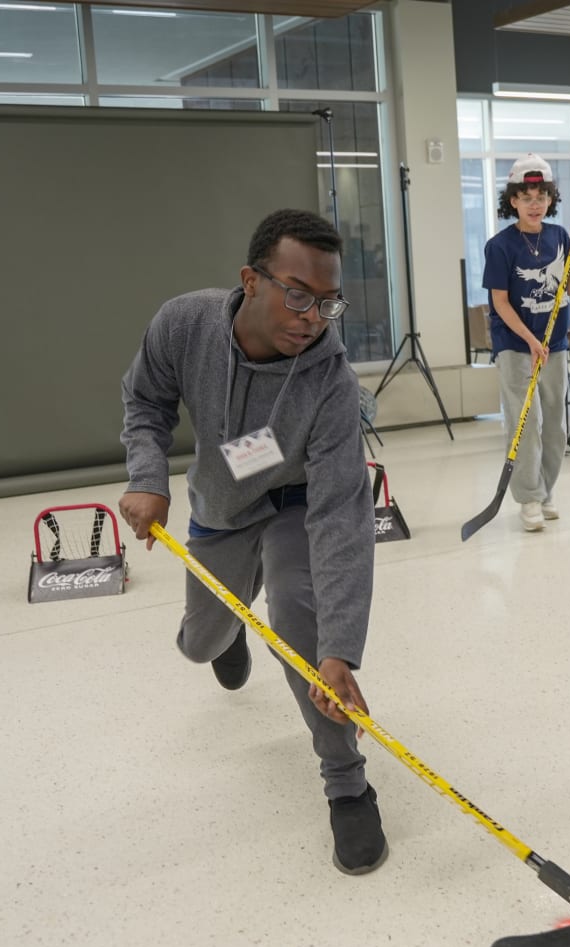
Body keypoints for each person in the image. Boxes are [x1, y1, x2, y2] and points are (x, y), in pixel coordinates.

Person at [118, 208, 386, 876]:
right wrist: (148, 478)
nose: (312, 317)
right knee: (199, 643)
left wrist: (338, 650)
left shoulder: (330, 382)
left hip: (297, 505)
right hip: (222, 506)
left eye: (328, 302)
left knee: (298, 615)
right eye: (297, 295)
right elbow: (145, 402)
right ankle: (226, 632)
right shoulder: (185, 324)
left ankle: (347, 784)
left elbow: (342, 518)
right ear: (251, 281)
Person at [481, 153, 570, 532]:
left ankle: (545, 491)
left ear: (550, 198)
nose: (535, 204)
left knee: (555, 424)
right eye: (526, 197)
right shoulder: (500, 246)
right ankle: (528, 497)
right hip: (515, 345)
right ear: (513, 201)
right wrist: (529, 340)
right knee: (525, 423)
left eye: (541, 196)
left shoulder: (559, 237)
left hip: (554, 343)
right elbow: (499, 302)